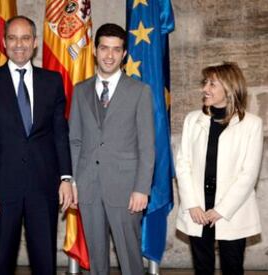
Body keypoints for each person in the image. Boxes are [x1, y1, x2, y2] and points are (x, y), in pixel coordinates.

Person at [0, 15, 73, 275]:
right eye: (13, 38)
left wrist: (66, 177)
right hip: (1, 190)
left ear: (35, 43)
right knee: (2, 264)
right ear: (4, 42)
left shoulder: (52, 81)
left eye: (25, 38)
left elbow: (60, 133)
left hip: (44, 187)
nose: (19, 44)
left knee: (45, 263)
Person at [69, 23, 155, 275]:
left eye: (116, 50)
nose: (109, 55)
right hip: (88, 188)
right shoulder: (80, 90)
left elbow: (147, 145)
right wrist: (74, 182)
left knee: (130, 260)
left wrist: (142, 189)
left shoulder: (140, 91)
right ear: (94, 51)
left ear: (124, 54)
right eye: (104, 48)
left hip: (126, 189)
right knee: (96, 261)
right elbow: (75, 140)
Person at [176, 62, 263, 275]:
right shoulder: (192, 120)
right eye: (205, 83)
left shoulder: (252, 124)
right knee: (202, 267)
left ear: (230, 88)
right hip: (198, 208)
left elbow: (248, 174)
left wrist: (221, 210)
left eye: (212, 84)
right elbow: (183, 163)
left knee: (232, 267)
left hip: (232, 211)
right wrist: (192, 205)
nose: (204, 89)